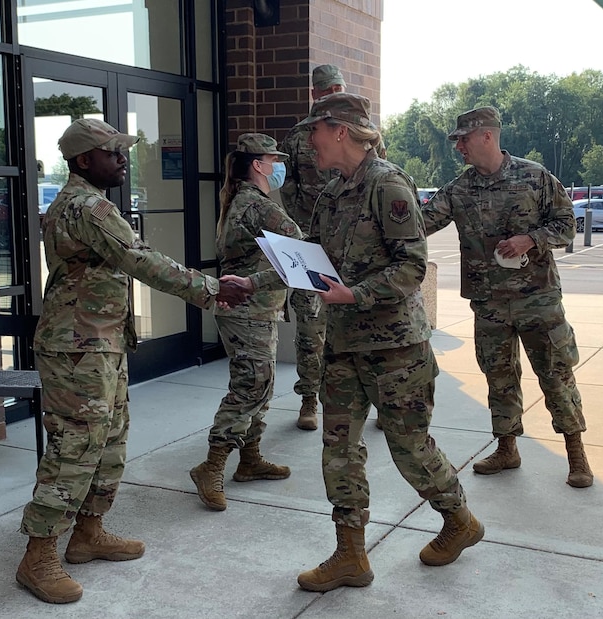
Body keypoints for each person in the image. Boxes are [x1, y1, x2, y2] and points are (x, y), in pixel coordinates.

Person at [17, 118, 249, 605]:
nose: (123, 160)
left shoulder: (79, 203)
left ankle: (89, 532)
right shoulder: (88, 207)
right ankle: (38, 556)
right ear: (84, 160)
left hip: (99, 343)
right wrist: (211, 289)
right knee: (75, 447)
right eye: (113, 153)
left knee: (109, 439)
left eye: (122, 152)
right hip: (77, 347)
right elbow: (141, 260)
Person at [293, 93, 484, 593]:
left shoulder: (388, 185)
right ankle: (350, 555)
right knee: (338, 448)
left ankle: (459, 519)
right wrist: (255, 281)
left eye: (314, 129)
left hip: (394, 348)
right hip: (343, 346)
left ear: (339, 130)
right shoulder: (331, 193)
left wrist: (354, 293)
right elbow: (309, 259)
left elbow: (411, 267)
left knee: (409, 447)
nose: (308, 140)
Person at [421, 106, 593, 489]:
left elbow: (567, 225)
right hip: (490, 304)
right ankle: (507, 447)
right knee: (498, 378)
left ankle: (575, 452)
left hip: (538, 300)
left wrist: (530, 239)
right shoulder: (459, 190)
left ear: (486, 135)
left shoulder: (534, 177)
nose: (459, 148)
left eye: (463, 140)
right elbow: (420, 224)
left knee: (555, 374)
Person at [189, 133, 302, 511]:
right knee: (250, 387)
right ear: (258, 165)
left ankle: (250, 459)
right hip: (248, 309)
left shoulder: (239, 200)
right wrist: (262, 282)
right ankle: (212, 465)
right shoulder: (257, 204)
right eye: (274, 160)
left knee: (261, 385)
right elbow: (297, 251)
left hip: (252, 310)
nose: (279, 167)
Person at [278, 64, 346, 431]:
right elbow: (288, 189)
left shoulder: (361, 132)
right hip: (311, 245)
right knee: (310, 326)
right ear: (315, 94)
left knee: (361, 324)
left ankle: (378, 402)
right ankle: (309, 400)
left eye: (338, 86)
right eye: (327, 88)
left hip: (354, 247)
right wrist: (304, 232)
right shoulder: (298, 137)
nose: (333, 92)